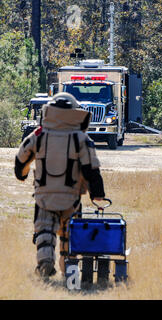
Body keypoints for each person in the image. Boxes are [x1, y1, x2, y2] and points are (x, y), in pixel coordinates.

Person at [14, 92, 105, 279]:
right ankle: (70, 274)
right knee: (69, 237)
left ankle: (45, 263)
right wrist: (97, 194)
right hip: (71, 199)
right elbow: (92, 169)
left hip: (44, 197)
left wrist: (21, 175)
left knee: (44, 232)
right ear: (74, 112)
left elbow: (21, 159)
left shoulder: (39, 135)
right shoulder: (81, 138)